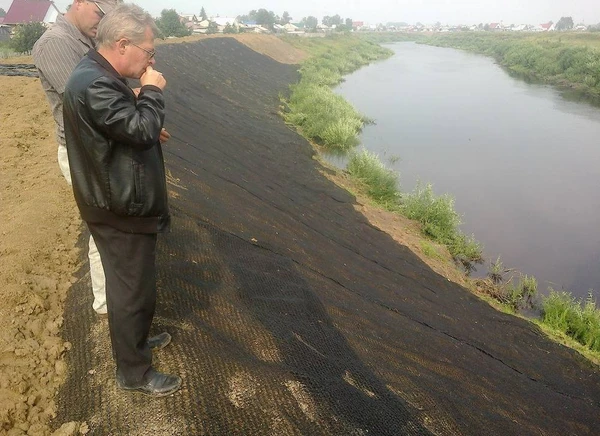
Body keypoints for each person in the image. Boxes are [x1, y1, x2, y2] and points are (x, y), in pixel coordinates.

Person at [62, 3, 181, 396]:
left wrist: (137, 109)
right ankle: (133, 372)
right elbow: (141, 129)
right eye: (149, 52)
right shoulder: (96, 81)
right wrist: (150, 93)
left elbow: (120, 125)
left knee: (136, 284)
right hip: (118, 207)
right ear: (123, 44)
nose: (152, 60)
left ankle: (138, 342)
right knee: (130, 289)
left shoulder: (96, 74)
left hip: (114, 199)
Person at [32, 0, 118, 315]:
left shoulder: (89, 40)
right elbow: (87, 102)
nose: (103, 22)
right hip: (82, 152)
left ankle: (117, 305)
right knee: (106, 228)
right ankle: (109, 308)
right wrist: (135, 99)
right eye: (100, 13)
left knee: (112, 227)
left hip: (98, 147)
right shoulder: (55, 44)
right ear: (80, 2)